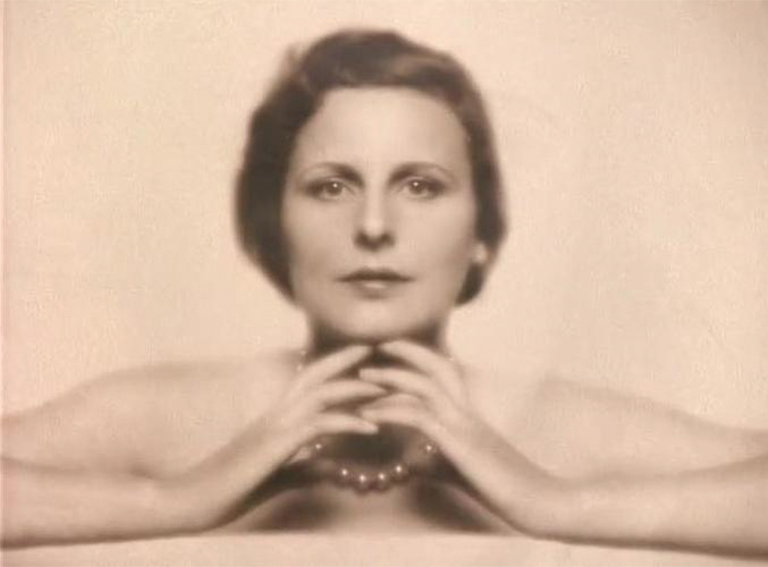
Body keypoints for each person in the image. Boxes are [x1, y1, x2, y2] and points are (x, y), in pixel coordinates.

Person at [2, 29, 768, 555]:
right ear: (274, 225)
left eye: (421, 185)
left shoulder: (556, 427)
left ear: (481, 231)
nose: (373, 225)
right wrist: (178, 500)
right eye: (331, 186)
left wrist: (552, 501)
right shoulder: (167, 416)